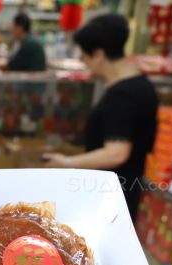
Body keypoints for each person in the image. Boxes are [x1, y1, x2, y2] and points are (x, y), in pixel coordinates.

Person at [44, 14, 159, 222]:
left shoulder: (124, 94)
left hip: (115, 193)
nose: (83, 62)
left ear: (99, 54)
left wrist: (67, 162)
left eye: (85, 57)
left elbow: (117, 153)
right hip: (125, 187)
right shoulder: (140, 84)